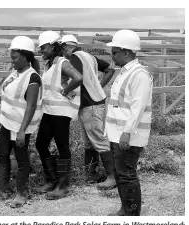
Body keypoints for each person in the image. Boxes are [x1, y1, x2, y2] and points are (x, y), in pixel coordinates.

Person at [0, 36, 43, 208]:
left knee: (21, 160)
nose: (12, 61)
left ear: (25, 57)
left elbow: (30, 107)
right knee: (2, 155)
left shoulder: (33, 78)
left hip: (20, 127)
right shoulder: (15, 73)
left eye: (14, 58)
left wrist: (22, 130)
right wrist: (1, 119)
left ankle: (22, 194)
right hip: (8, 124)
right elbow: (7, 99)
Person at [105, 29, 153, 216]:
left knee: (126, 174)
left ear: (126, 52)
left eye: (114, 52)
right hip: (118, 133)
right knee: (121, 174)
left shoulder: (139, 74)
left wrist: (127, 132)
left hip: (128, 135)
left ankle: (132, 213)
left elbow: (138, 107)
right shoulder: (125, 72)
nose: (112, 56)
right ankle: (125, 210)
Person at [60, 34, 116, 189]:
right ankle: (92, 174)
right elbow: (110, 69)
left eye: (62, 49)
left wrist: (65, 90)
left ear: (66, 46)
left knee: (98, 140)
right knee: (89, 142)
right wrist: (100, 86)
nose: (63, 53)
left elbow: (76, 79)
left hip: (90, 103)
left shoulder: (75, 58)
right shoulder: (88, 56)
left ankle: (112, 177)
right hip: (91, 102)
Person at [35, 31, 83, 200]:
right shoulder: (50, 65)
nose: (41, 50)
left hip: (61, 112)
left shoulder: (62, 62)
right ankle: (51, 180)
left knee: (62, 147)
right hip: (49, 110)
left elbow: (78, 78)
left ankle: (62, 186)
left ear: (54, 46)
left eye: (44, 47)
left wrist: (66, 90)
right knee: (40, 144)